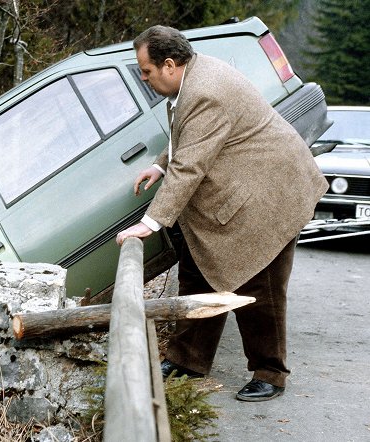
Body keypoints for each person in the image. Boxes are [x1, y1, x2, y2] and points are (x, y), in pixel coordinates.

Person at [115, 25, 328, 401]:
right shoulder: (195, 75)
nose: (144, 78)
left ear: (168, 64)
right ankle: (188, 360)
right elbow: (188, 136)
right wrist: (161, 165)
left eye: (146, 71)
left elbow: (191, 167)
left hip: (269, 195)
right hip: (246, 189)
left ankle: (270, 373)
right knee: (198, 272)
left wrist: (150, 223)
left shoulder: (204, 91)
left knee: (260, 288)